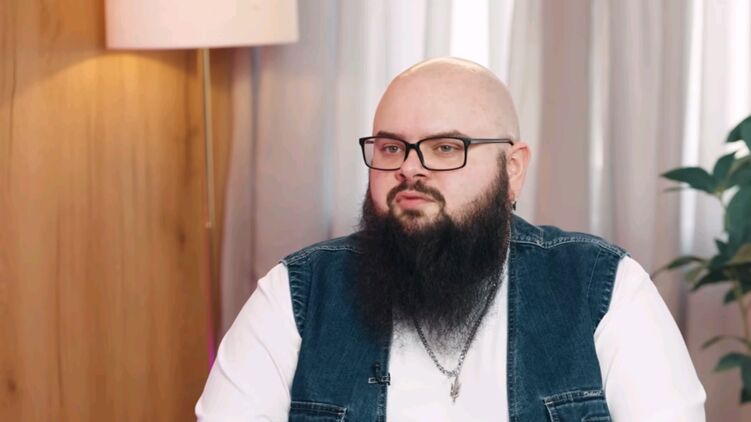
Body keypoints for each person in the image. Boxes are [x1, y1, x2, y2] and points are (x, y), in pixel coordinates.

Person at [195, 57, 706, 421]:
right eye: (391, 148)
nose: (409, 168)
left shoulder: (604, 289)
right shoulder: (297, 295)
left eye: (445, 147)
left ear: (512, 169)